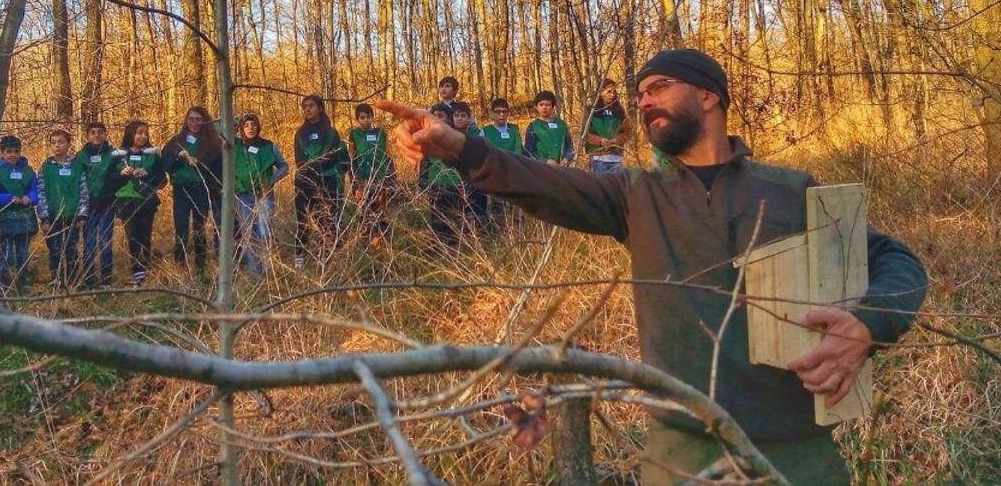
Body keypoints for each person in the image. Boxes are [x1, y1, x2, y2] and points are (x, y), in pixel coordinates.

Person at [378, 49, 928, 486]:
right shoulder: (634, 195)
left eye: (659, 86)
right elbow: (541, 182)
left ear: (710, 94)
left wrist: (867, 324)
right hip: (679, 449)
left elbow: (894, 259)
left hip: (795, 451)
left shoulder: (790, 191)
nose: (643, 101)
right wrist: (458, 147)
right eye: (639, 93)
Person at [161, 106, 222, 274]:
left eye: (198, 119)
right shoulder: (177, 141)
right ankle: (180, 266)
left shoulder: (212, 142)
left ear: (204, 121)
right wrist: (178, 158)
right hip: (181, 189)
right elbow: (165, 163)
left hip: (201, 189)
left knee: (199, 227)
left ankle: (201, 267)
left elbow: (217, 167)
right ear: (186, 121)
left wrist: (200, 163)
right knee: (181, 228)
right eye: (191, 119)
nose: (194, 123)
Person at [293, 95, 350, 267]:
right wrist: (310, 172)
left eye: (311, 105)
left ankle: (328, 258)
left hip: (328, 182)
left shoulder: (331, 132)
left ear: (320, 108)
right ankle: (299, 259)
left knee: (328, 220)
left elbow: (332, 156)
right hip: (304, 182)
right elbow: (300, 160)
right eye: (305, 106)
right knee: (303, 221)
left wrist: (320, 169)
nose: (308, 109)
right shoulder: (300, 134)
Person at [233, 113, 289, 275]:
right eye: (246, 125)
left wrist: (270, 180)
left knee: (264, 231)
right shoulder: (235, 146)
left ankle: (267, 268)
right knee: (249, 233)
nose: (250, 128)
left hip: (265, 195)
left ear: (258, 126)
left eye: (253, 124)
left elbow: (284, 167)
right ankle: (254, 272)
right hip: (243, 195)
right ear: (241, 129)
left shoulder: (268, 146)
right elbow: (217, 132)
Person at [113, 120, 166, 285]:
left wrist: (147, 173)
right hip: (126, 200)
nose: (143, 136)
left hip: (146, 200)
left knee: (145, 235)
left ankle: (145, 267)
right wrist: (122, 173)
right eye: (139, 132)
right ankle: (136, 269)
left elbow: (162, 180)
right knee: (132, 236)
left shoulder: (153, 154)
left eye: (145, 133)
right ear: (131, 134)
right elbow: (109, 179)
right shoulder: (119, 154)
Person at [37, 129, 90, 288]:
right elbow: (41, 192)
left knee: (71, 248)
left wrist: (82, 214)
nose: (57, 145)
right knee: (55, 249)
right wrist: (44, 217)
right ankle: (56, 278)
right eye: (53, 143)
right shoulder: (46, 167)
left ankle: (72, 280)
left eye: (61, 142)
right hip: (52, 217)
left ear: (68, 144)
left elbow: (83, 191)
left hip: (72, 215)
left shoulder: (77, 167)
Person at [75, 122, 124, 287]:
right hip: (87, 206)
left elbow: (122, 168)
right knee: (88, 243)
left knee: (105, 242)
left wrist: (124, 171)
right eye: (93, 132)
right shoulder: (81, 156)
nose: (97, 135)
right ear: (87, 136)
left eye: (100, 132)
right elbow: (76, 180)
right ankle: (88, 277)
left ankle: (106, 278)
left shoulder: (113, 153)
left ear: (105, 134)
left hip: (107, 204)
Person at [0, 135, 39, 294]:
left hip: (25, 218)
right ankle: (4, 283)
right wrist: (8, 199)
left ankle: (23, 282)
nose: (12, 155)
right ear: (2, 153)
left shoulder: (28, 171)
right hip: (4, 217)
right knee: (5, 252)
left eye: (16, 151)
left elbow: (35, 191)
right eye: (8, 151)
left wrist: (29, 198)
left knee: (22, 251)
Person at [418, 103, 469, 246]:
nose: (437, 119)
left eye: (441, 116)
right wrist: (423, 183)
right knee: (437, 218)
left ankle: (455, 248)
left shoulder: (459, 137)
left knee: (455, 218)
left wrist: (467, 183)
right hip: (436, 184)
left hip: (456, 185)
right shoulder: (427, 138)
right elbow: (424, 163)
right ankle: (439, 246)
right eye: (434, 115)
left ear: (449, 118)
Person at [349, 103, 397, 248]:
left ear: (372, 117)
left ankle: (383, 242)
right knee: (364, 212)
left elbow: (388, 155)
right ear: (357, 119)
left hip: (380, 178)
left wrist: (392, 177)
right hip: (363, 180)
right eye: (362, 118)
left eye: (368, 117)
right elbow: (352, 158)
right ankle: (367, 243)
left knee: (381, 211)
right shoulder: (354, 134)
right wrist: (355, 183)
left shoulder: (381, 133)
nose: (366, 120)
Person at [480, 98, 522, 229]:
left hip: (513, 175)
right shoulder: (485, 132)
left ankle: (517, 234)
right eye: (498, 112)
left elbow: (518, 153)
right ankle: (499, 236)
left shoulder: (514, 132)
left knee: (516, 209)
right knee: (497, 210)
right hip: (495, 176)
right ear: (492, 114)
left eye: (504, 112)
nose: (501, 115)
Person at [584, 78, 633, 174]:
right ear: (601, 92)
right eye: (609, 92)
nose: (612, 95)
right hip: (597, 157)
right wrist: (600, 141)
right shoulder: (590, 110)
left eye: (614, 92)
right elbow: (584, 133)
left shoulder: (619, 111)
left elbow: (628, 131)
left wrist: (617, 140)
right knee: (601, 187)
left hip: (616, 157)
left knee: (616, 187)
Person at [524, 91, 574, 166]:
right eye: (541, 105)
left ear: (553, 107)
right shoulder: (533, 126)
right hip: (541, 168)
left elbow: (569, 147)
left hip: (561, 168)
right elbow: (529, 150)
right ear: (537, 107)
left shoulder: (561, 125)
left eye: (547, 105)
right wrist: (545, 161)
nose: (544, 107)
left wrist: (566, 159)